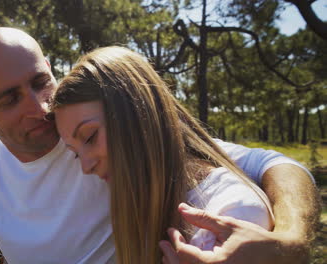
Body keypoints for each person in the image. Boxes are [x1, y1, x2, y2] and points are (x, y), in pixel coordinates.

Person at [0, 27, 319, 264]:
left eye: (40, 82)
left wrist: (290, 240)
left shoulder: (116, 134)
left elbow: (273, 164)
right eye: (8, 99)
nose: (39, 108)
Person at [51, 46, 276, 263]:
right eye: (76, 154)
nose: (86, 167)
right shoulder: (144, 199)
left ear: (138, 115)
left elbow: (272, 162)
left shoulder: (230, 216)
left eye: (90, 137)